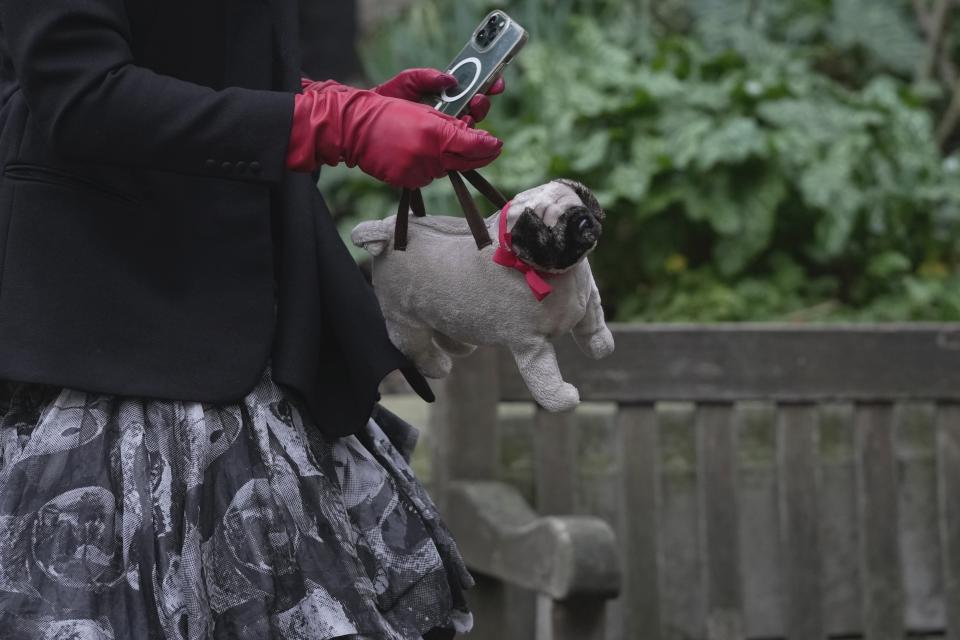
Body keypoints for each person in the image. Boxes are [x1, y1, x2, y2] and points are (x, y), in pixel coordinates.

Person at [0, 0, 505, 638]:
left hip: (249, 324)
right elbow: (80, 93)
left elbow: (189, 58)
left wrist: (340, 107)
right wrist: (326, 124)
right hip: (108, 330)